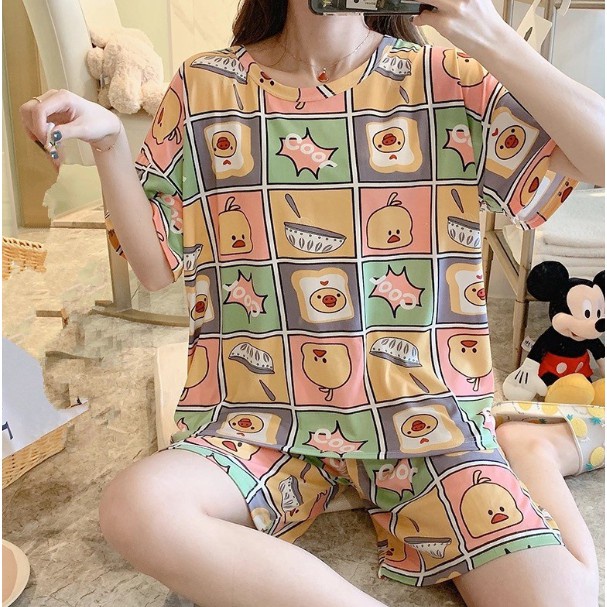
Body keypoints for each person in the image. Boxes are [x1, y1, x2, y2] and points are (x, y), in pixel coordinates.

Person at [19, 0, 604, 605]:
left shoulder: (446, 77)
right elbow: (153, 267)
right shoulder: (205, 86)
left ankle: (528, 446)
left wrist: (487, 34)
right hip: (261, 420)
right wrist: (112, 142)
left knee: (562, 599)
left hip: (428, 419)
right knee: (136, 508)